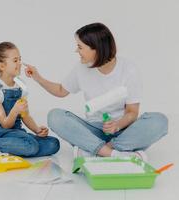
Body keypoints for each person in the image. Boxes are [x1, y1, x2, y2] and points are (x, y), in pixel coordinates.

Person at [24, 23, 168, 160]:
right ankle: (114, 153)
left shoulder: (129, 70)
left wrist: (117, 125)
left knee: (159, 121)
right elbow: (61, 91)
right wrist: (38, 78)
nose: (76, 51)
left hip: (123, 130)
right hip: (94, 130)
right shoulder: (82, 68)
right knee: (55, 116)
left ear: (96, 48)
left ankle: (99, 150)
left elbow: (132, 112)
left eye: (80, 47)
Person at [0, 41, 60, 157]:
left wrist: (37, 130)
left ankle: (20, 147)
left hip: (16, 133)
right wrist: (14, 110)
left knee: (53, 144)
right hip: (0, 133)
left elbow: (25, 116)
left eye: (20, 59)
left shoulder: (20, 86)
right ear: (2, 66)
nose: (20, 63)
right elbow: (5, 124)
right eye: (15, 60)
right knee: (31, 145)